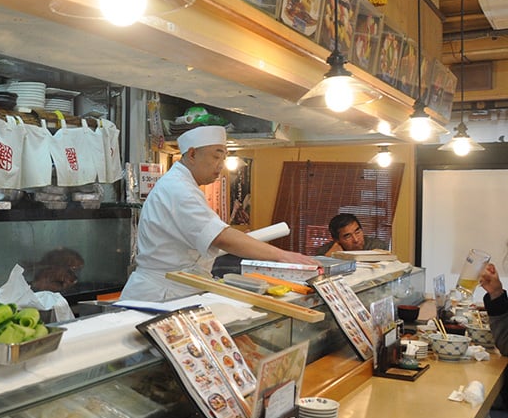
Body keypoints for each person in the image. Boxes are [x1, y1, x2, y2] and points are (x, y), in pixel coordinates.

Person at [121, 125, 315, 301]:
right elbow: (221, 237)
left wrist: (241, 239)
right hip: (160, 293)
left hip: (179, 288)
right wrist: (282, 256)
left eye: (223, 157)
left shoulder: (184, 185)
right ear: (192, 154)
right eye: (216, 156)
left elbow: (208, 237)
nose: (221, 164)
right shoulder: (178, 189)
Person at [316, 213, 390, 256]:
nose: (356, 240)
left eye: (357, 232)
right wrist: (329, 259)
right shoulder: (325, 251)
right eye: (348, 236)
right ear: (337, 240)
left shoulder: (377, 247)